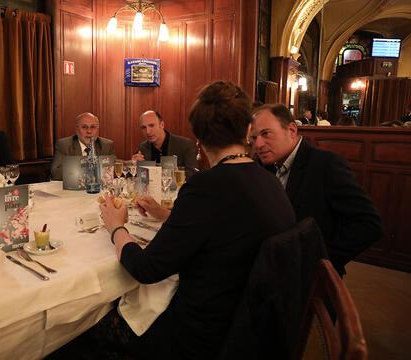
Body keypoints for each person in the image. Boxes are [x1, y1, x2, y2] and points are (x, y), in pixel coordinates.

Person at [98, 81, 296, 359]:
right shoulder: (269, 180)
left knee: (101, 322)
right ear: (247, 130)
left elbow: (146, 267)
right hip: (255, 327)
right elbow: (222, 228)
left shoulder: (207, 186)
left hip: (204, 337)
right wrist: (164, 213)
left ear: (199, 137)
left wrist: (115, 227)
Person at [251, 103, 382, 276]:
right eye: (253, 138)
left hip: (310, 280)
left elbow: (369, 225)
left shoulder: (326, 165)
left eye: (265, 133)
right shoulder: (264, 167)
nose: (258, 144)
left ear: (291, 130)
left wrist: (320, 262)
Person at [132, 110, 197, 179]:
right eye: (143, 127)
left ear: (162, 125)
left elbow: (192, 174)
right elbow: (135, 178)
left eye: (151, 125)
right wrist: (135, 166)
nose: (148, 132)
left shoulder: (184, 145)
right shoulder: (142, 148)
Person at [50, 112, 115, 180]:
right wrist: (87, 166)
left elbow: (115, 170)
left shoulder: (106, 145)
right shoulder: (64, 145)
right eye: (84, 127)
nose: (89, 131)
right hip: (73, 188)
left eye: (93, 127)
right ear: (77, 130)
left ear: (98, 129)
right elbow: (56, 173)